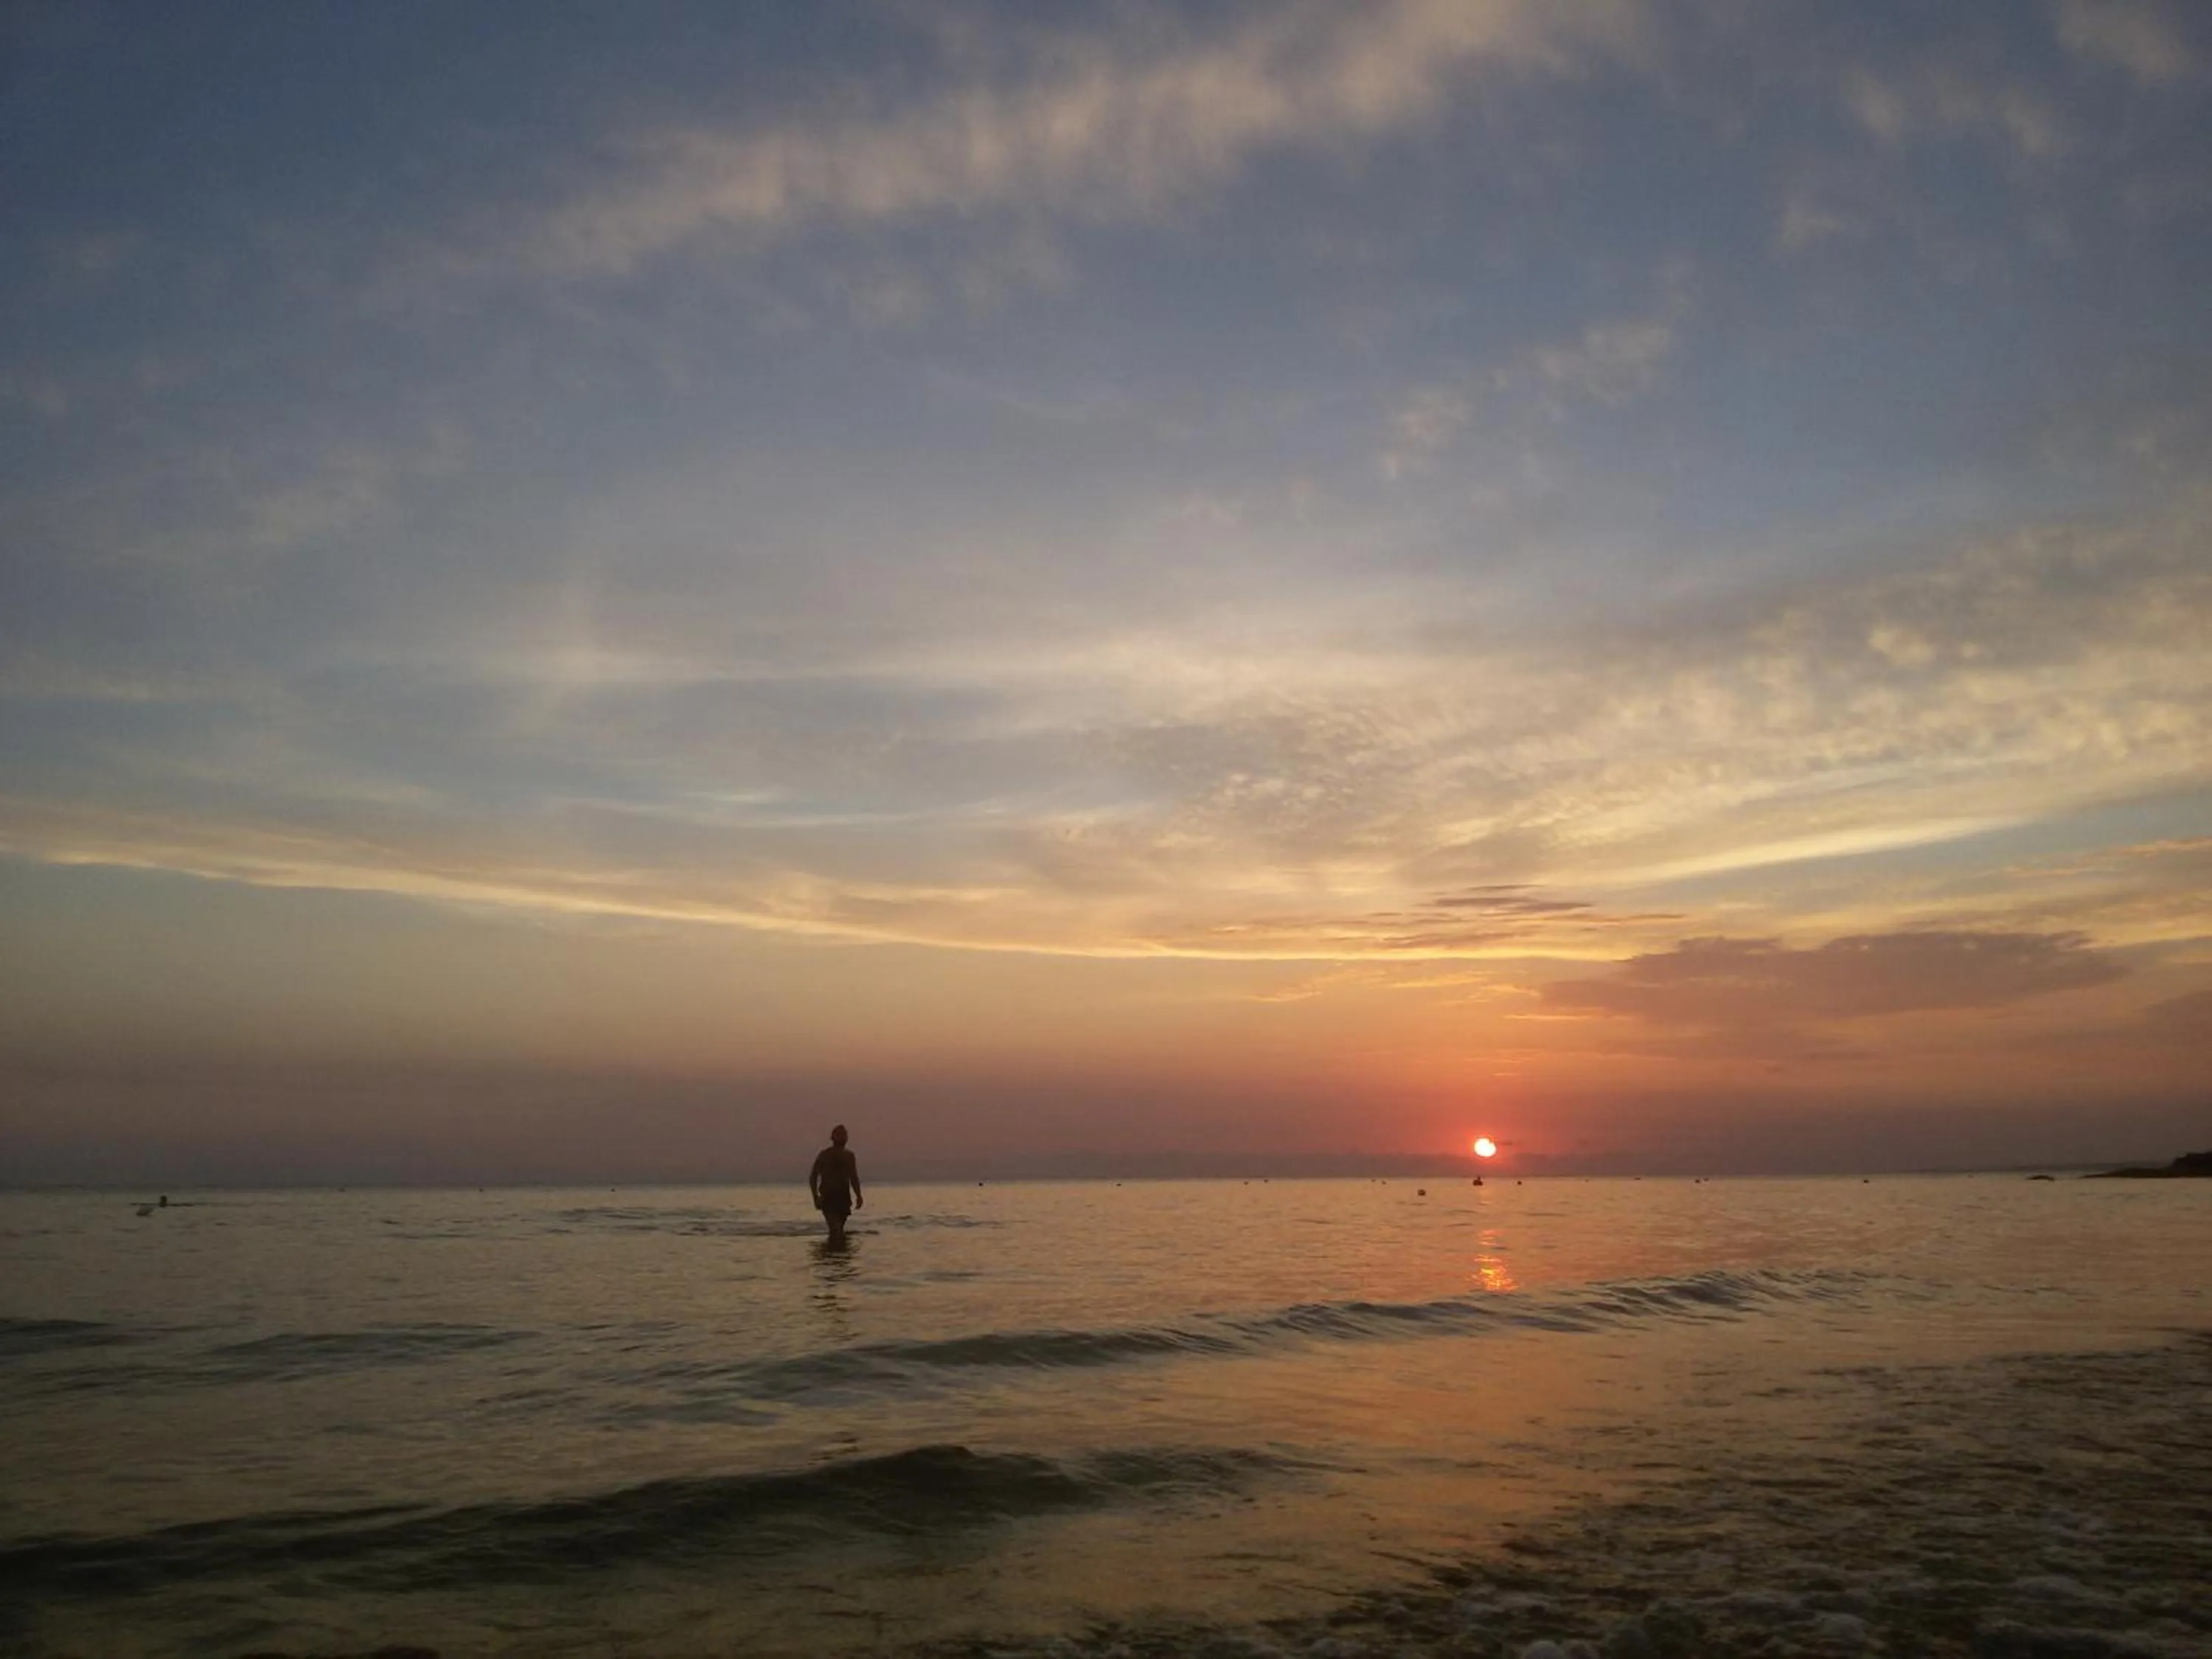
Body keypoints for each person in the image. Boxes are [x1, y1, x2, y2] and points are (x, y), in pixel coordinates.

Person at [809, 1124, 863, 1242]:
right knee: (836, 1230)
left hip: (843, 1197)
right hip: (828, 1196)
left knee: (838, 1232)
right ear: (833, 1138)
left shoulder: (849, 1156)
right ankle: (833, 1256)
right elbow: (813, 1177)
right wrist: (815, 1197)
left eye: (845, 1135)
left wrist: (859, 1196)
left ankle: (836, 1257)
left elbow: (854, 1177)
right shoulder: (825, 1155)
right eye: (840, 1135)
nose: (843, 1138)